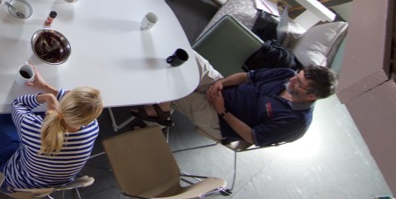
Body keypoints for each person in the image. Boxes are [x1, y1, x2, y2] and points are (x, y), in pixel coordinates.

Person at [133, 57, 338, 147]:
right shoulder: (288, 74)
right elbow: (246, 77)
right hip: (223, 89)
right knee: (187, 58)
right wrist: (221, 83)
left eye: (299, 82)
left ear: (312, 96)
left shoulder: (296, 123)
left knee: (178, 91)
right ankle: (159, 108)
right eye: (298, 74)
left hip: (221, 120)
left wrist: (222, 111)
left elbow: (251, 137)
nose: (292, 79)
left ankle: (155, 119)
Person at [0, 68, 103, 190]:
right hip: (57, 184)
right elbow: (77, 109)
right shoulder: (93, 128)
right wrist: (45, 86)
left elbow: (17, 104)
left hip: (12, 182)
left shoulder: (35, 130)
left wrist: (46, 96)